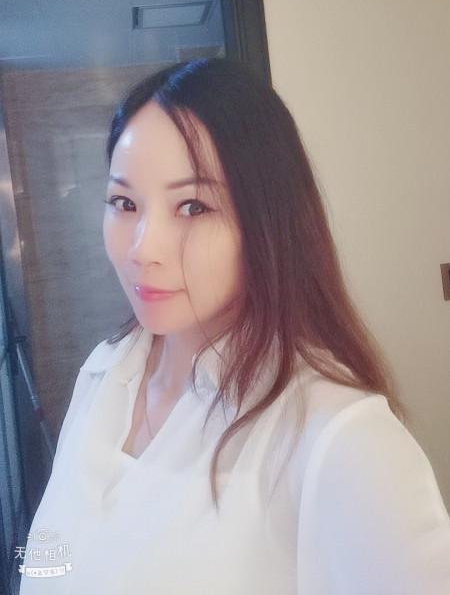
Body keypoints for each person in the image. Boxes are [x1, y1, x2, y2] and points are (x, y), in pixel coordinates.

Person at [20, 58, 450, 594]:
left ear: (267, 221)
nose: (144, 250)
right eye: (124, 203)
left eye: (193, 207)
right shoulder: (104, 372)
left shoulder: (337, 439)